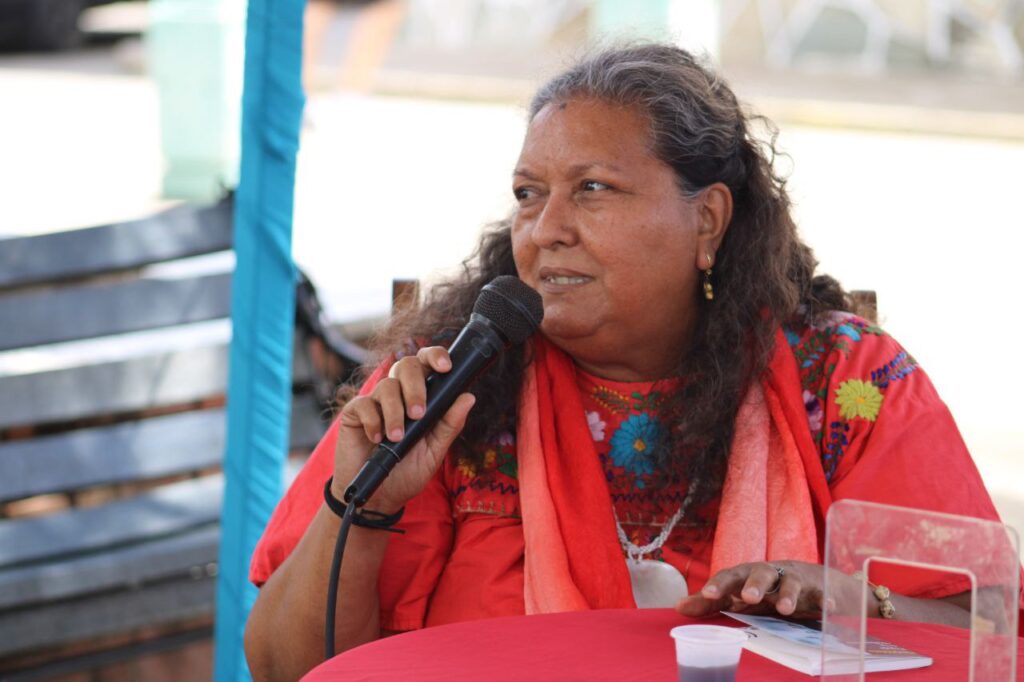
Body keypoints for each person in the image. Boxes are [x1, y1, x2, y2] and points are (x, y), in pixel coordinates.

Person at [243, 44, 1019, 681]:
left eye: (592, 189)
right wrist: (362, 500)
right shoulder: (448, 384)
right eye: (528, 193)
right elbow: (284, 669)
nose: (545, 228)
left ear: (707, 219)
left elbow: (991, 632)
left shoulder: (844, 380)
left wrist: (857, 603)